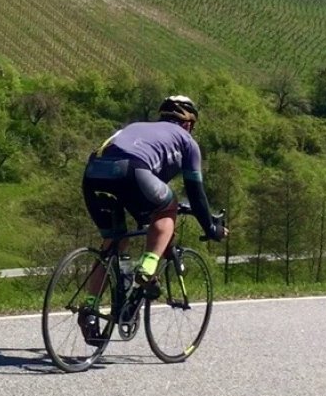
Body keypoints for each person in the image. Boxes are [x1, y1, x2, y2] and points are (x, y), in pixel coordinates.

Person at [79, 95, 228, 335]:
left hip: (94, 173)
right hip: (133, 171)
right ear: (189, 124)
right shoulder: (187, 142)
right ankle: (147, 268)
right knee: (167, 207)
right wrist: (211, 227)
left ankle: (89, 310)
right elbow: (196, 192)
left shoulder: (137, 127)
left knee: (113, 245)